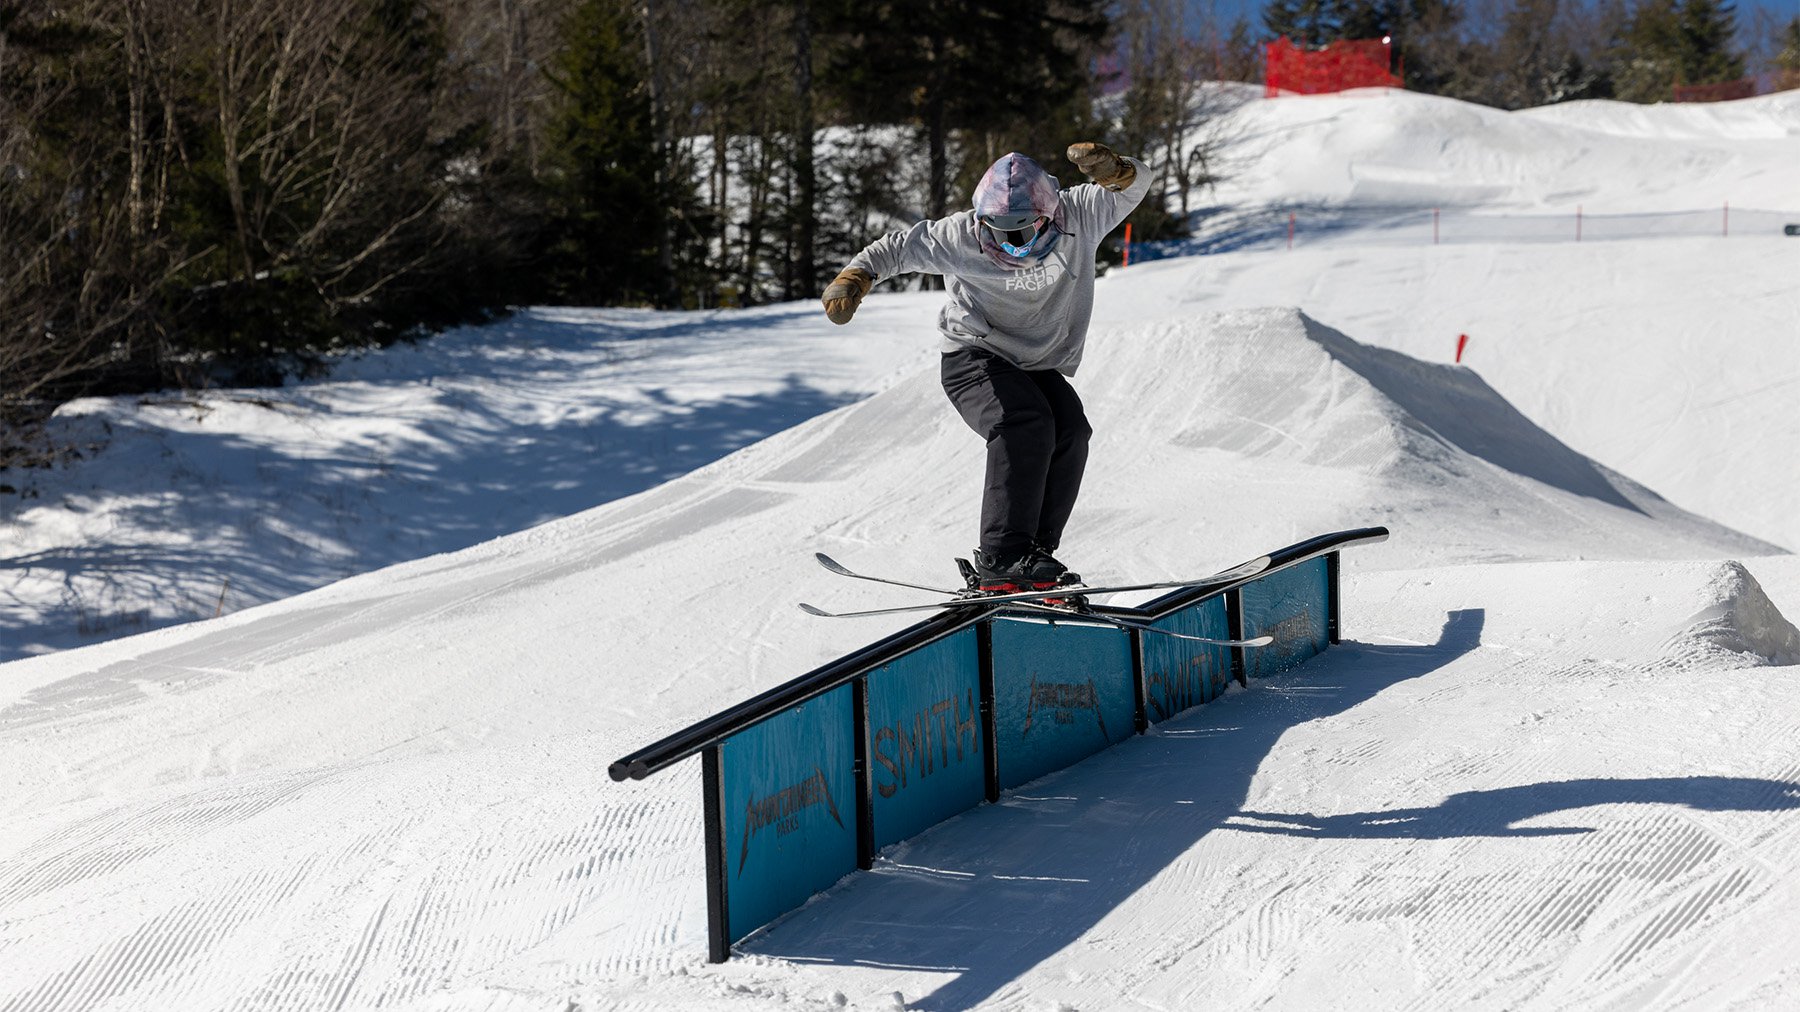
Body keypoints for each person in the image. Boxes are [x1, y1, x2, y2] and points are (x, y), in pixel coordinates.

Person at [819, 142, 1153, 593]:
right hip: (973, 356)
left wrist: (1119, 172)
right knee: (1023, 423)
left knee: (1072, 432)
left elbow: (1136, 186)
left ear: (1050, 215)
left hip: (1035, 364)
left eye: (1023, 233)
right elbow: (893, 250)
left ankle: (1034, 554)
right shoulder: (958, 236)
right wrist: (854, 278)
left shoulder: (1079, 213)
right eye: (998, 233)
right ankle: (1002, 556)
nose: (1011, 246)